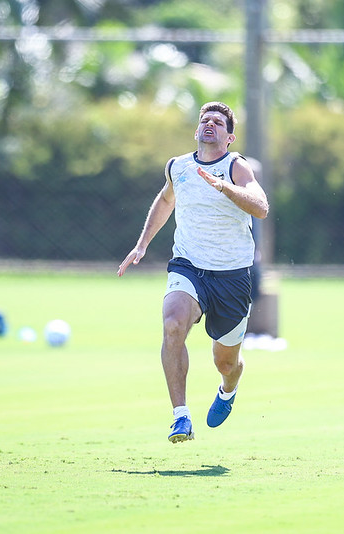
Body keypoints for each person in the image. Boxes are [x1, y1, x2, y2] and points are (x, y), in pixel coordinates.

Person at [117, 101, 269, 443]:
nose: (210, 124)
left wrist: (225, 187)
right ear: (197, 130)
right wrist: (142, 244)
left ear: (229, 137)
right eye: (205, 120)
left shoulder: (236, 166)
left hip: (232, 275)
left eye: (218, 121)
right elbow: (166, 200)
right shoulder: (179, 166)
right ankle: (180, 417)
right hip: (189, 266)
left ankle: (228, 391)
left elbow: (260, 207)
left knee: (226, 362)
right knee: (172, 324)